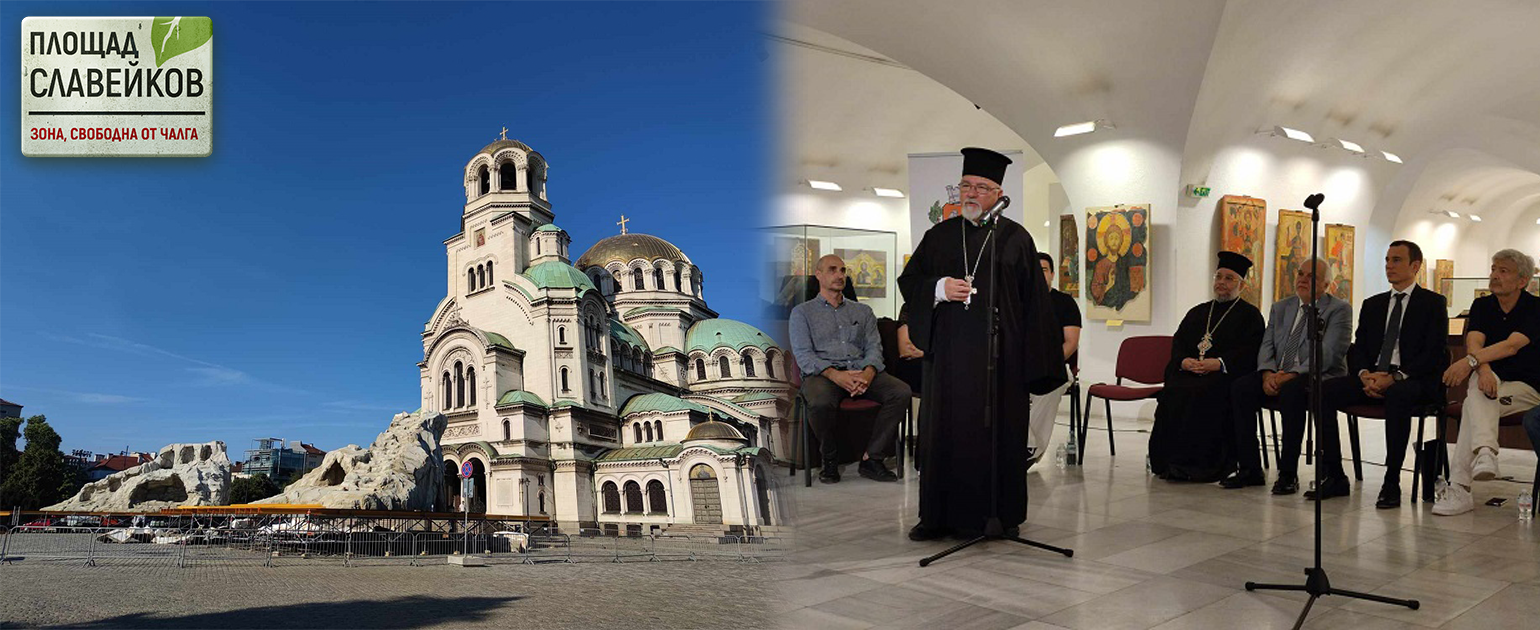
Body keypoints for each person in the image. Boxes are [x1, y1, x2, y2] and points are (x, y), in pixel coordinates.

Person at [897, 147, 1065, 541]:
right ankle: (936, 517)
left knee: (999, 436)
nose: (971, 193)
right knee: (945, 435)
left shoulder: (1016, 240)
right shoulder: (938, 236)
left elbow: (1036, 307)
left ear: (998, 193)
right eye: (966, 185)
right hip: (950, 361)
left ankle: (1001, 516)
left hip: (1000, 361)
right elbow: (910, 282)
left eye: (981, 187)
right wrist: (939, 288)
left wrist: (1035, 362)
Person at [1317, 240, 1447, 507]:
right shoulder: (1373, 304)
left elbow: (1433, 353)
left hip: (1412, 380)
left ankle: (1392, 481)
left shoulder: (1433, 303)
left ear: (1415, 265)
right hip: (1373, 376)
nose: (1389, 266)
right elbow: (1359, 347)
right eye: (1387, 260)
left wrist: (1395, 377)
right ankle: (1335, 474)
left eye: (1396, 260)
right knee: (1323, 391)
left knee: (1398, 395)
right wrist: (1365, 374)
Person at [1223, 259, 1351, 493]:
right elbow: (1267, 344)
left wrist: (1290, 375)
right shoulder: (1281, 307)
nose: (1302, 279)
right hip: (1276, 372)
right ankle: (1250, 468)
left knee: (1293, 391)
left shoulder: (1338, 309)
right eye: (1300, 273)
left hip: (1317, 374)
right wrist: (1267, 373)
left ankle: (1288, 473)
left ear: (1326, 283)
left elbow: (1328, 353)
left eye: (1311, 276)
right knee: (1241, 387)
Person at [1434, 249, 1540, 515]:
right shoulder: (1483, 305)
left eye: (1503, 271)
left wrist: (1470, 363)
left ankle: (1461, 486)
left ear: (1522, 280)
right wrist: (1482, 371)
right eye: (1493, 269)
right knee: (1477, 396)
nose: (1494, 276)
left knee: (1473, 404)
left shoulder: (1535, 308)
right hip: (1491, 380)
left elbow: (1511, 346)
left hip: (1527, 387)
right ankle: (1484, 456)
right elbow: (1474, 342)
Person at [789, 255, 910, 484]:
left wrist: (868, 373)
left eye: (843, 270)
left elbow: (875, 348)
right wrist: (836, 375)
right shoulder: (802, 313)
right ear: (819, 275)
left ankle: (872, 458)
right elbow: (804, 356)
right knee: (820, 400)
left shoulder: (863, 311)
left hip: (861, 370)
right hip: (823, 374)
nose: (840, 275)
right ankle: (830, 458)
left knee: (900, 392)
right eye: (833, 270)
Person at [1149, 251, 1265, 482]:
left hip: (1223, 377)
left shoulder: (1251, 316)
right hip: (1191, 372)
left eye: (1229, 278)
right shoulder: (1198, 312)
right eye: (1218, 277)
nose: (1221, 283)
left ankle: (1204, 466)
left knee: (1202, 392)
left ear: (1241, 285)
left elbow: (1251, 352)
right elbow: (1179, 342)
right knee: (1174, 390)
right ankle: (1170, 462)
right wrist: (1184, 361)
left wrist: (1219, 363)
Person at [1028, 252, 1082, 467]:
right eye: (1035, 271)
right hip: (1025, 366)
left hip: (1057, 365)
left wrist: (1048, 362)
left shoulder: (1065, 303)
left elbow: (1071, 342)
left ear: (1052, 274)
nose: (1040, 275)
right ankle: (1030, 445)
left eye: (1043, 270)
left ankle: (1030, 449)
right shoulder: (1021, 303)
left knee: (1049, 386)